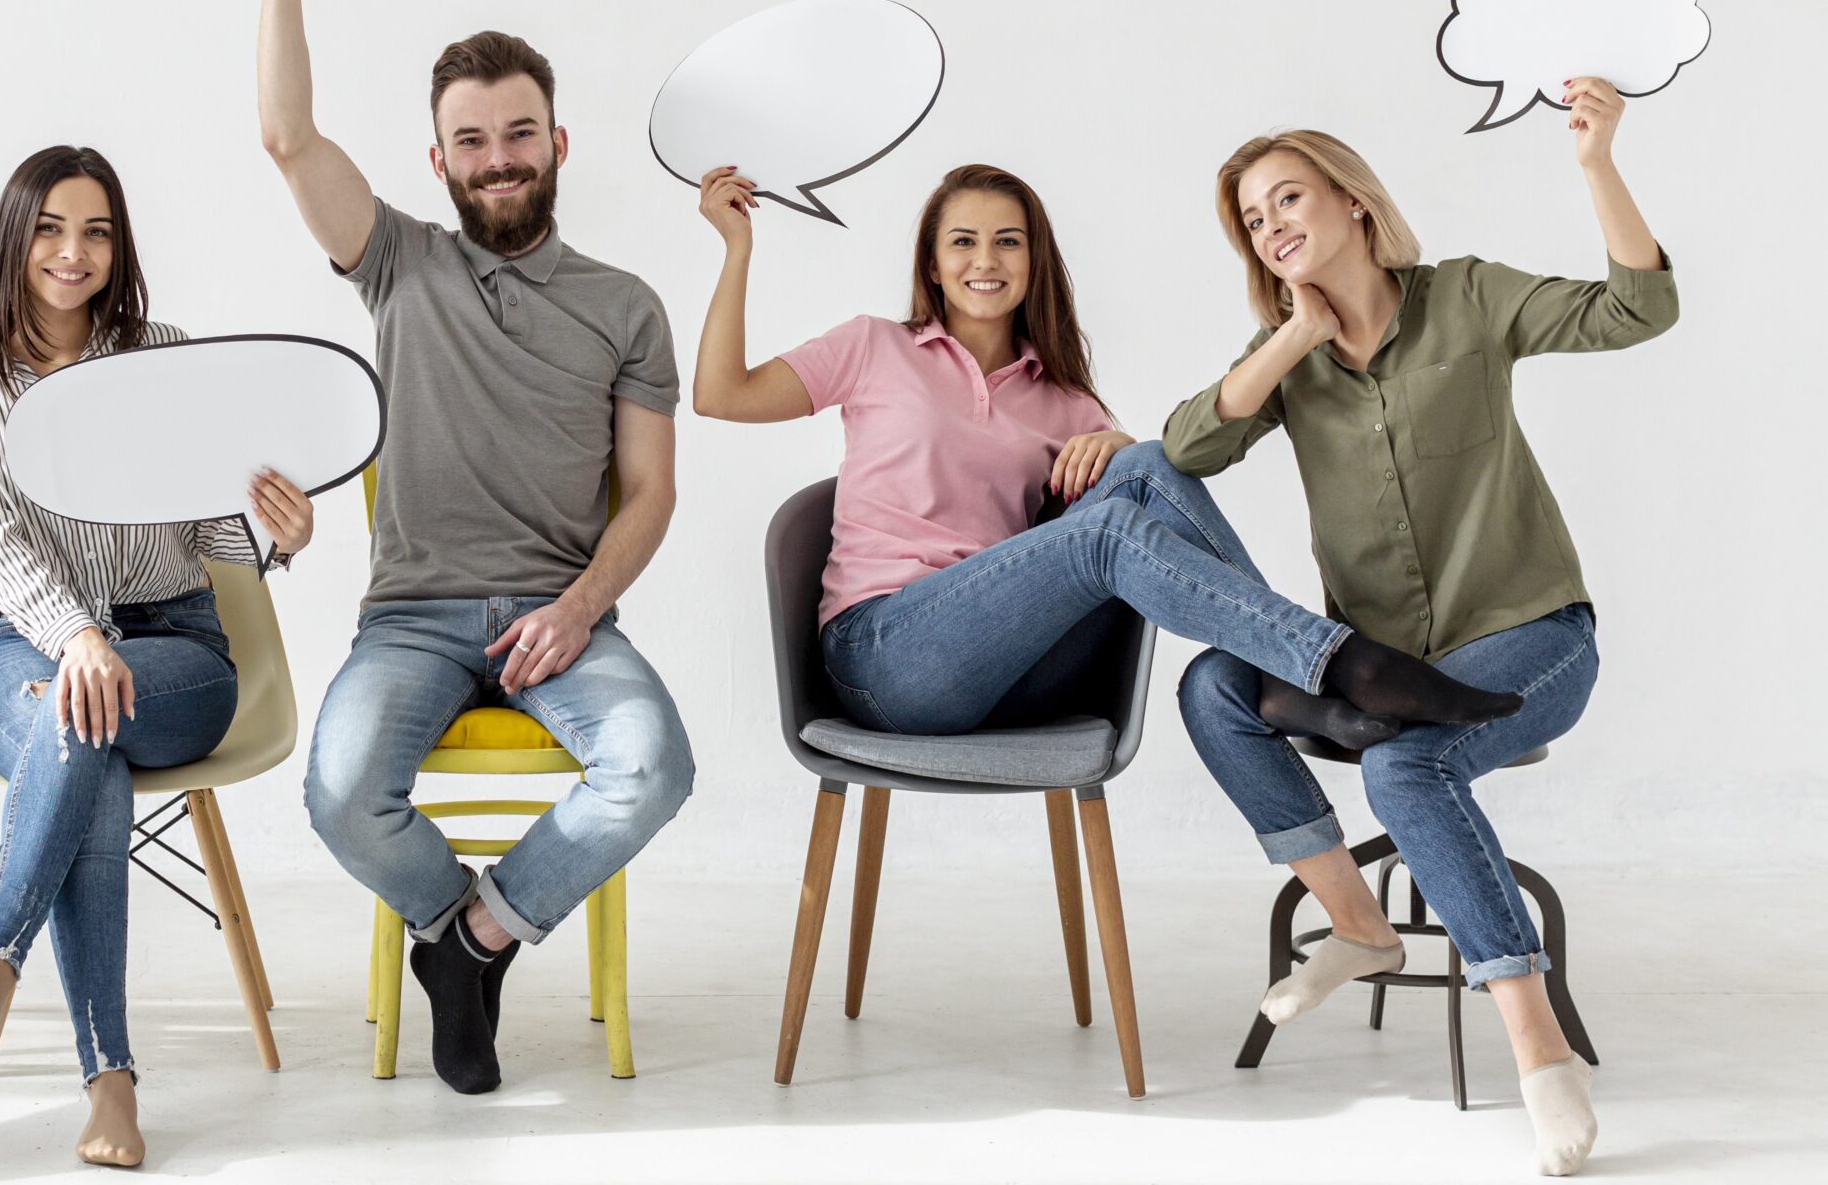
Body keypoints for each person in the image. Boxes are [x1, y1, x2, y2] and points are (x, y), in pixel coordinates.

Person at [1166, 84, 1678, 1177]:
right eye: (1253, 221)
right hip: (1380, 666)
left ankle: (1540, 1056)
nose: (1271, 227)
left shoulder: (1468, 299)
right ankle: (1358, 928)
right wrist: (1292, 331)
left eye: (1287, 198)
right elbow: (1185, 453)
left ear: (1352, 203)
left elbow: (1637, 310)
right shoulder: (1287, 358)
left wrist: (1595, 161)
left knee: (1406, 767)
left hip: (1526, 637)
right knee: (1210, 686)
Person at [243, 0, 694, 1094]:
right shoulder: (401, 265)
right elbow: (287, 137)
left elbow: (647, 495)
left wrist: (578, 608)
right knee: (341, 795)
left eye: (517, 133)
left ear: (556, 141)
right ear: (437, 162)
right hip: (412, 621)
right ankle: (456, 934)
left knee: (656, 764)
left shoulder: (626, 306)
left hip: (565, 618)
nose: (498, 157)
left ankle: (477, 942)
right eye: (469, 141)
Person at [688, 160, 1522, 744]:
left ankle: (1288, 673)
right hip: (888, 658)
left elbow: (1139, 507)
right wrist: (737, 251)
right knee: (1106, 531)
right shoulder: (874, 347)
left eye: (1008, 241)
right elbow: (720, 396)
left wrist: (1120, 444)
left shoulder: (1064, 397)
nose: (986, 261)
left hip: (1010, 672)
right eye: (964, 243)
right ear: (934, 266)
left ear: (1033, 259)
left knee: (1149, 467)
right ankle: (1331, 663)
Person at [0, 145, 314, 1167]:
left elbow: (219, 543)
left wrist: (278, 533)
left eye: (96, 231)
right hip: (29, 645)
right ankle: (111, 1087)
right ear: (14, 236)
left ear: (118, 246)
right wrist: (79, 638)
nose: (72, 252)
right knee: (78, 713)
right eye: (49, 227)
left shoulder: (162, 355)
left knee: (84, 709)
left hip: (177, 645)